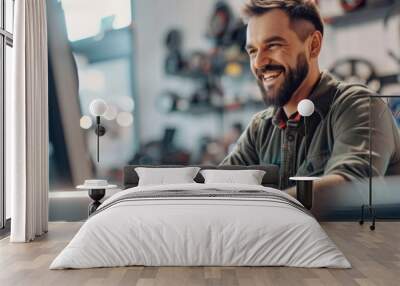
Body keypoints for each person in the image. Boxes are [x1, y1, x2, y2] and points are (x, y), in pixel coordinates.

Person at [220, 0, 400, 198]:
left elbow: (351, 188)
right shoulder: (260, 129)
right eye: (253, 51)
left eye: (273, 45)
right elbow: (218, 187)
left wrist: (266, 208)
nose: (259, 62)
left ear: (313, 45)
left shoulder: (360, 106)